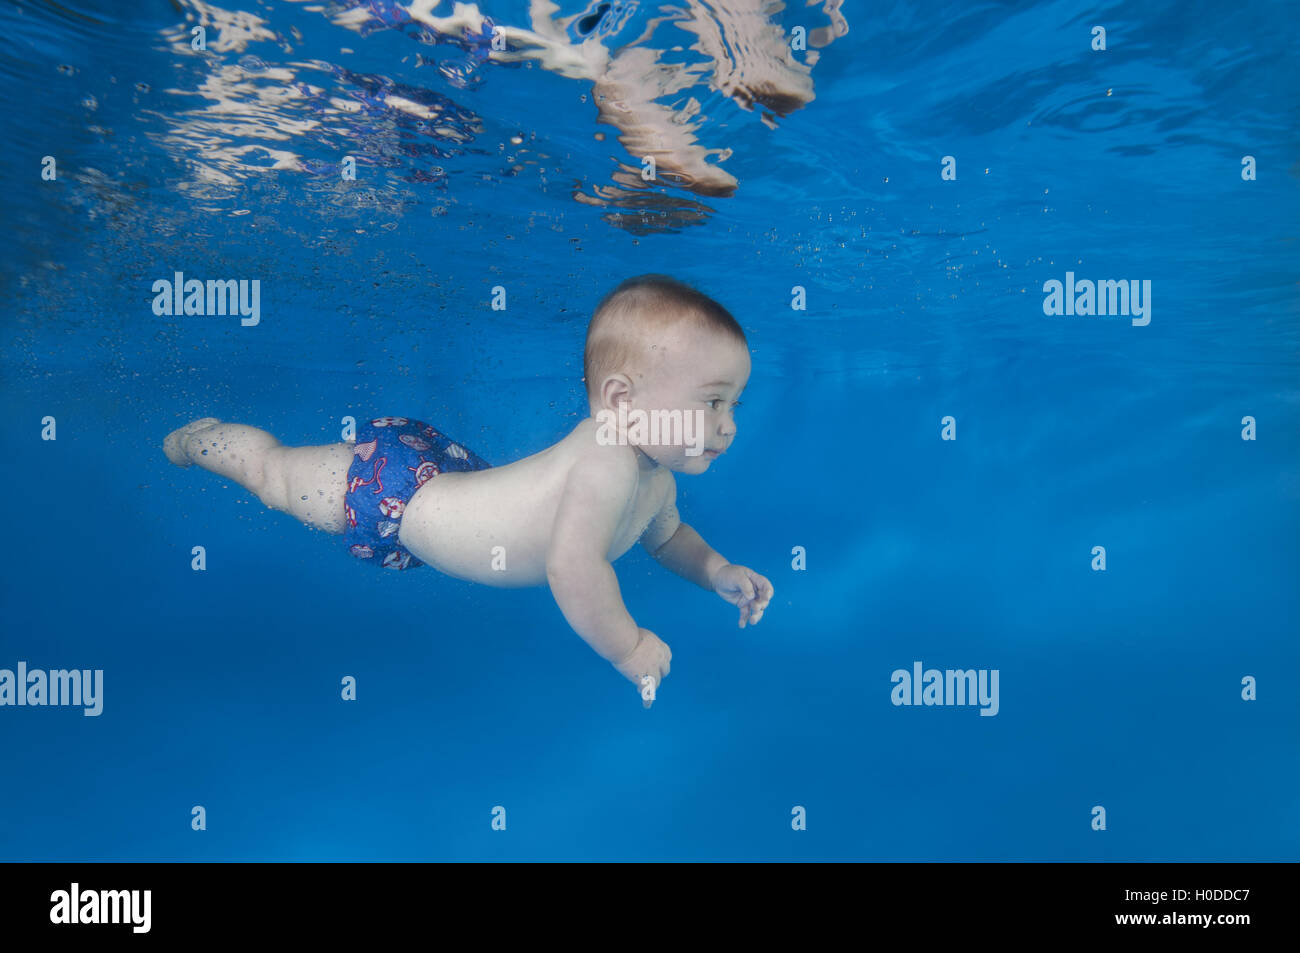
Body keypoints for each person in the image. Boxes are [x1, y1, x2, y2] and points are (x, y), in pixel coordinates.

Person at [163, 275, 773, 702]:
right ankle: (203, 440)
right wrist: (627, 646)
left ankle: (216, 444)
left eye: (735, 404)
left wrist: (716, 570)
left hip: (453, 482)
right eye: (713, 401)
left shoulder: (654, 476)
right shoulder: (606, 461)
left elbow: (667, 541)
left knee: (281, 481)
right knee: (274, 478)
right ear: (622, 400)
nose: (729, 425)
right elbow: (572, 567)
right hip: (392, 495)